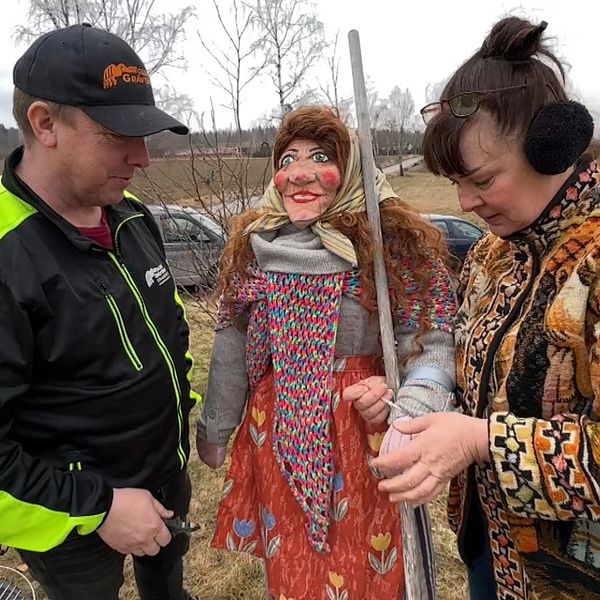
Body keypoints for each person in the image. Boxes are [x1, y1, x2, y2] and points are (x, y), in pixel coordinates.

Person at [346, 16, 600, 600]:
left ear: (552, 147)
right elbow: (471, 379)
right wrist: (407, 403)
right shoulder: (491, 257)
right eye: (457, 182)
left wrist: (482, 441)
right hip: (492, 550)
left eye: (482, 179)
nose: (465, 203)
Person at [196, 105, 457, 599]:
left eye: (320, 156)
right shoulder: (257, 245)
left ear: (352, 169)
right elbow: (231, 342)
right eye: (288, 157)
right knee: (294, 568)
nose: (300, 171)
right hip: (278, 430)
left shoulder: (387, 244)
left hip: (364, 434)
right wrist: (216, 427)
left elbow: (430, 335)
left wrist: (405, 398)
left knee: (367, 564)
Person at [0, 24, 200, 600]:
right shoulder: (8, 257)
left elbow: (170, 326)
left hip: (166, 477)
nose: (141, 158)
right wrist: (101, 507)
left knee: (169, 585)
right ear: (45, 123)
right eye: (118, 134)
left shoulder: (132, 215)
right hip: (72, 524)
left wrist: (179, 416)